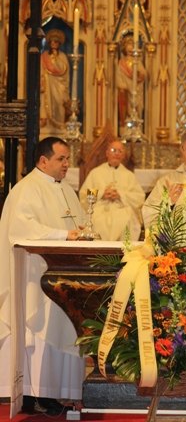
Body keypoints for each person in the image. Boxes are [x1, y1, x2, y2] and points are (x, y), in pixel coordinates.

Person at [0, 137, 86, 416]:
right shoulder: (27, 189)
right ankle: (34, 393)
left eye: (68, 159)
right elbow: (21, 228)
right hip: (35, 277)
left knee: (62, 329)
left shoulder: (66, 190)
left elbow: (79, 224)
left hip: (62, 275)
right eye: (61, 159)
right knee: (39, 332)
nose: (66, 164)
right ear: (43, 161)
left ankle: (58, 392)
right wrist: (63, 235)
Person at [79, 139, 145, 241]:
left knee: (126, 220)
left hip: (122, 208)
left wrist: (121, 194)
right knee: (98, 220)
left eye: (120, 151)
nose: (117, 154)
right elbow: (84, 194)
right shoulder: (95, 173)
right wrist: (102, 194)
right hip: (100, 208)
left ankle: (121, 253)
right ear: (107, 153)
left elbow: (139, 197)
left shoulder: (129, 175)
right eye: (114, 150)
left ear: (124, 155)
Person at [40, 29, 70, 135]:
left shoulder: (62, 56)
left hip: (59, 85)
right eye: (52, 42)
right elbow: (40, 70)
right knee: (46, 104)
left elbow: (64, 70)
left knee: (59, 104)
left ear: (59, 43)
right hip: (47, 84)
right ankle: (47, 125)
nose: (54, 43)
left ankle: (59, 125)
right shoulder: (44, 56)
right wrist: (42, 80)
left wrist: (55, 61)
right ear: (49, 43)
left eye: (56, 42)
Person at [116, 35, 147, 130]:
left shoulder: (136, 61)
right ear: (124, 48)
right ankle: (124, 125)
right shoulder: (121, 62)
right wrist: (123, 86)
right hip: (126, 90)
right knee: (125, 104)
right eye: (128, 46)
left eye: (132, 45)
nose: (130, 49)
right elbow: (118, 75)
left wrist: (138, 74)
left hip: (136, 89)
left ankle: (136, 126)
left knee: (137, 107)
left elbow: (143, 74)